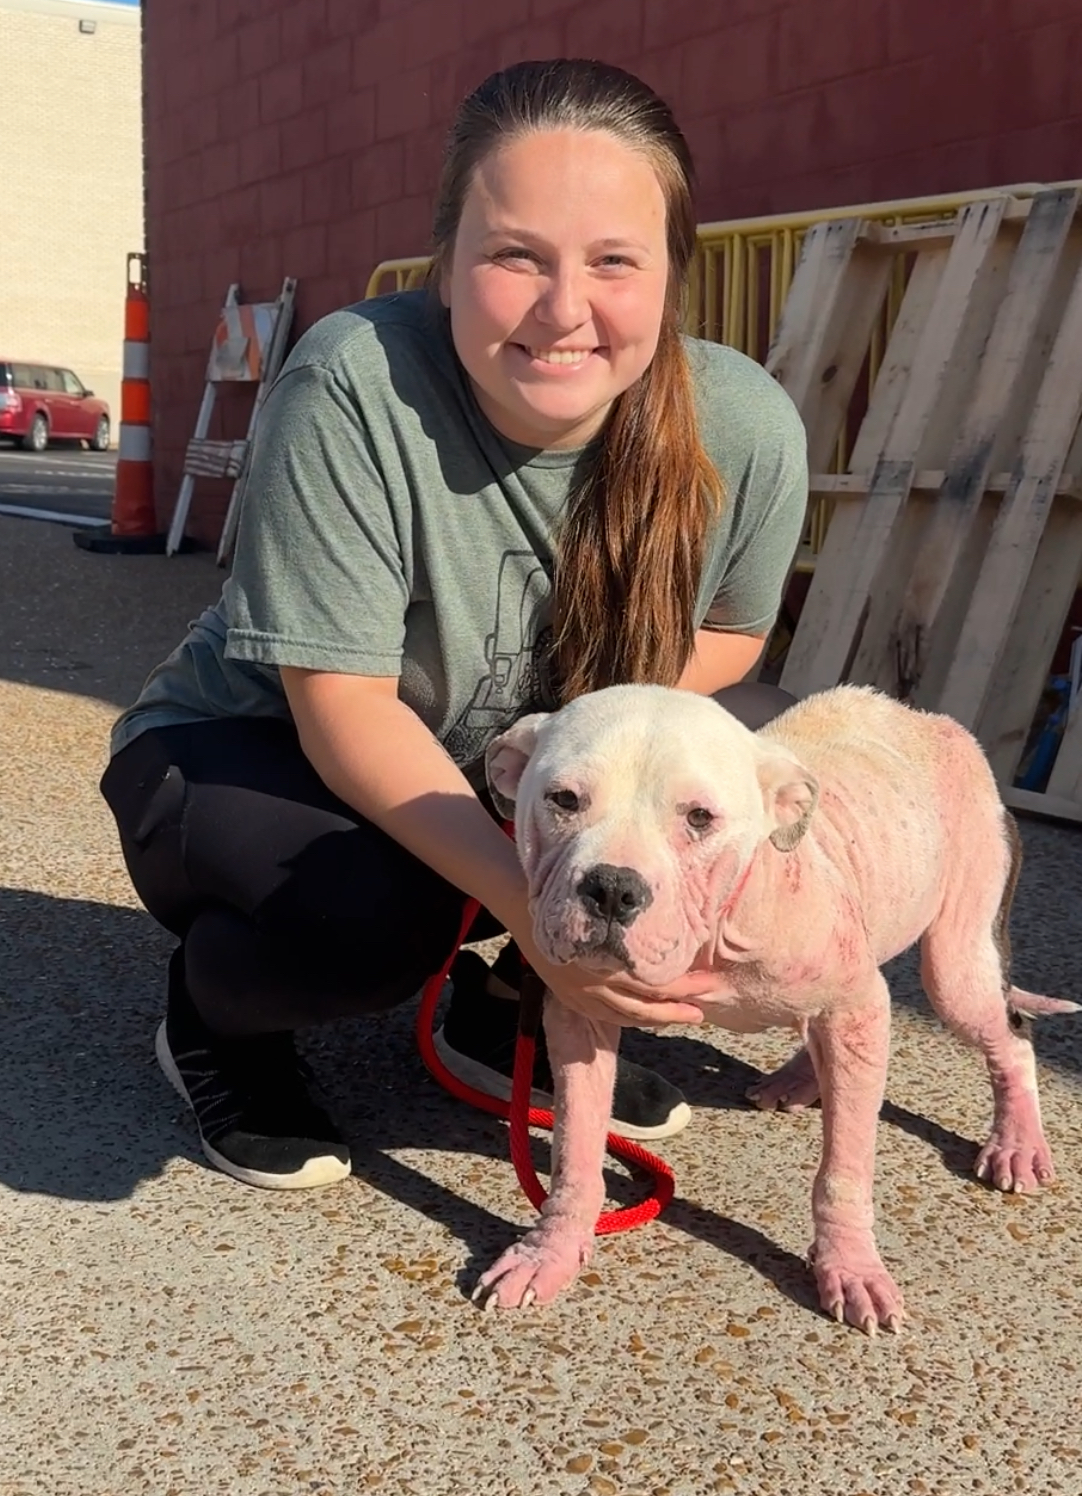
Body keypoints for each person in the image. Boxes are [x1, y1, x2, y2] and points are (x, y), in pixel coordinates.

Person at [99, 58, 809, 1192]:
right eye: (514, 255)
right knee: (374, 914)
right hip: (249, 748)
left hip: (495, 758)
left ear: (673, 273)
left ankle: (499, 1008)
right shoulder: (351, 387)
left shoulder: (743, 424)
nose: (562, 308)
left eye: (612, 260)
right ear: (447, 264)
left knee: (755, 779)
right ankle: (213, 1015)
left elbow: (730, 640)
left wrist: (602, 749)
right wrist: (536, 907)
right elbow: (341, 716)